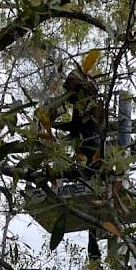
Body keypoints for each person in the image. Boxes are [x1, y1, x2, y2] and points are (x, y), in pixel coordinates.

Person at [50, 68, 106, 260]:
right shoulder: (83, 107)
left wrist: (53, 119)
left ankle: (93, 243)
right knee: (90, 190)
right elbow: (75, 128)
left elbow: (77, 128)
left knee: (90, 185)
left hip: (91, 151)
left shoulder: (88, 105)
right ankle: (93, 242)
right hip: (88, 151)